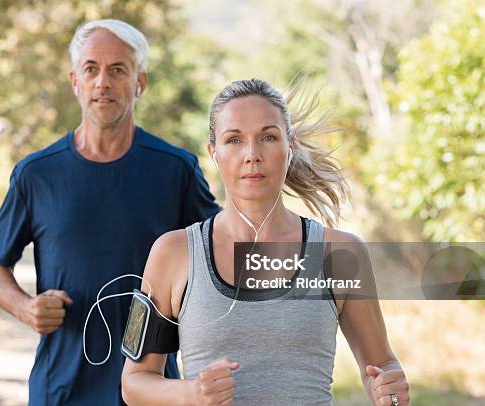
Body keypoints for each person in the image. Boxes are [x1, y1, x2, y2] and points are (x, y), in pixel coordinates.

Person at [121, 79, 410, 405]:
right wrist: (189, 393)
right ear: (213, 153)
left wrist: (389, 390)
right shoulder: (172, 254)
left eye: (268, 137)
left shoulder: (341, 253)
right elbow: (134, 384)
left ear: (291, 146)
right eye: (234, 140)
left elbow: (382, 364)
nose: (252, 155)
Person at [0, 19, 219, 405]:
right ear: (75, 81)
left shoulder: (176, 170)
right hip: (60, 388)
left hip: (151, 390)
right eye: (91, 69)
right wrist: (25, 308)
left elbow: (221, 253)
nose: (102, 82)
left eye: (117, 70)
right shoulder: (36, 174)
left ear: (140, 82)